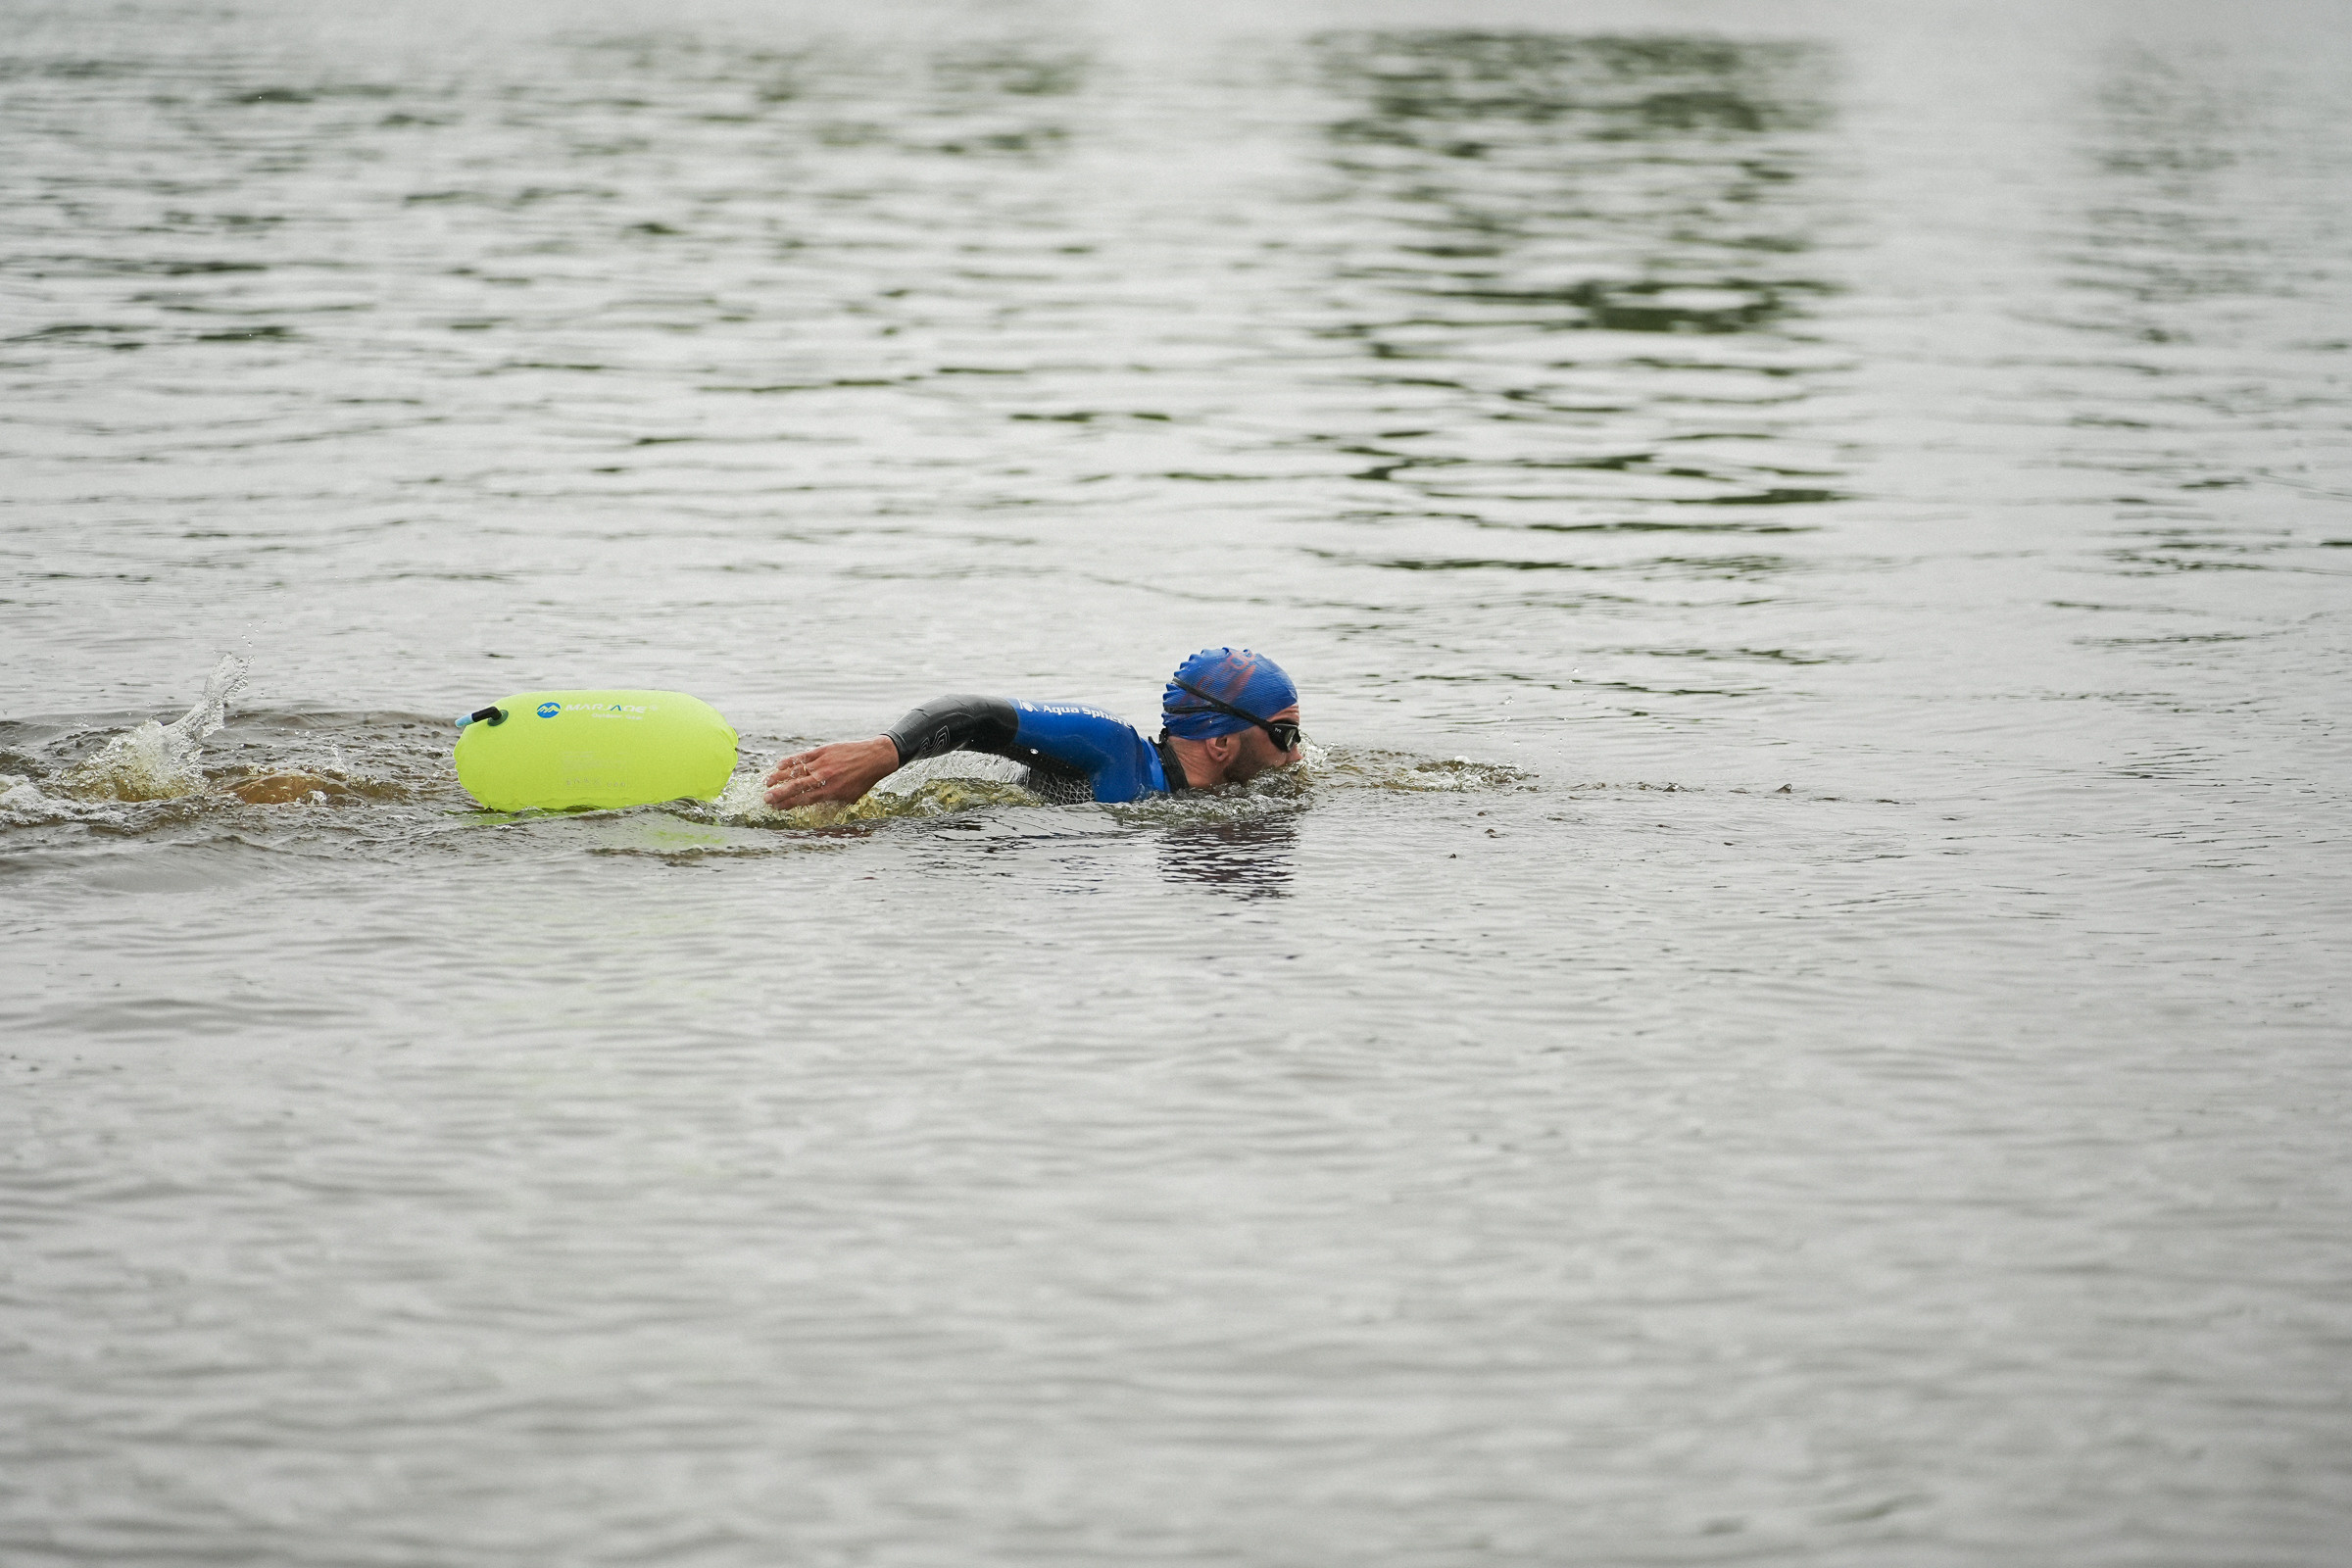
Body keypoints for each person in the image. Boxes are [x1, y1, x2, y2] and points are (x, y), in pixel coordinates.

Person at [762, 647, 1303, 810]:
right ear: (1221, 742)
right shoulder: (1115, 748)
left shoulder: (1202, 801)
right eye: (1285, 735)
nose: (1297, 754)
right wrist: (883, 753)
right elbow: (976, 712)